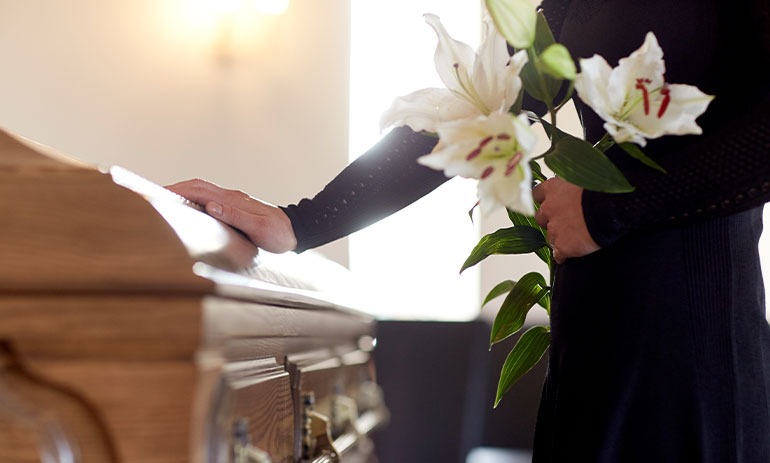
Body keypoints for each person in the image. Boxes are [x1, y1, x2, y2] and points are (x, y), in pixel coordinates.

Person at [168, 0, 770, 460]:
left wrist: (612, 208)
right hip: (592, 335)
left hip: (695, 342)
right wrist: (301, 220)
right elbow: (477, 108)